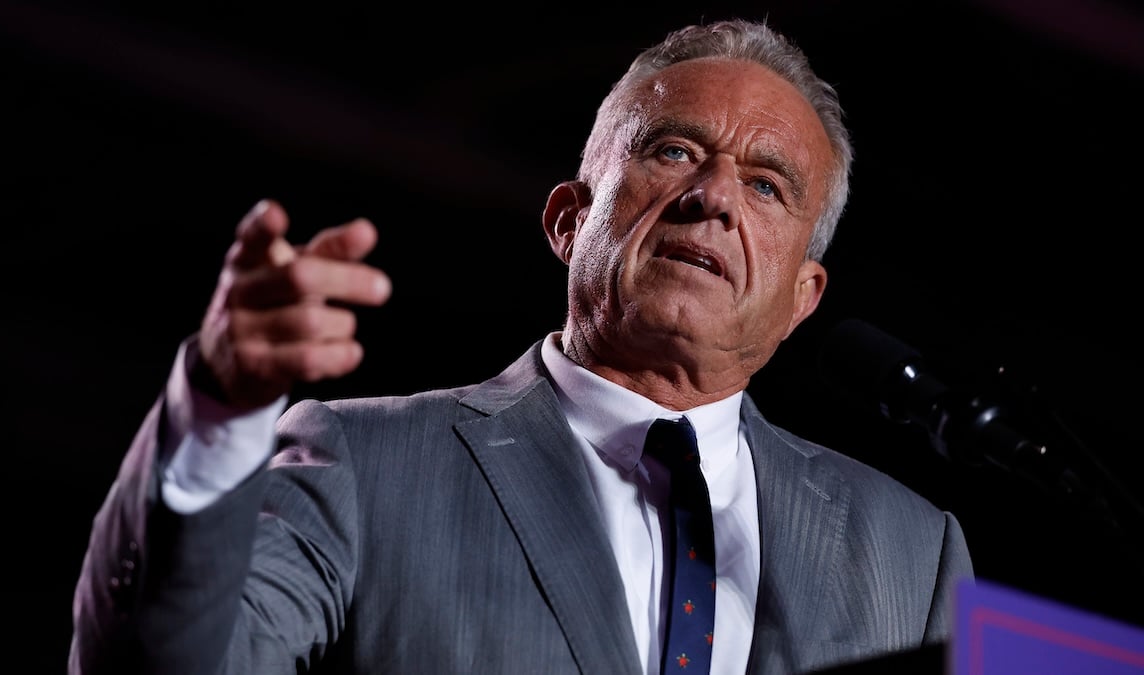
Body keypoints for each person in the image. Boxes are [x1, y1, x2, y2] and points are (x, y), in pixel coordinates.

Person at [68, 17, 973, 675]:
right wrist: (220, 410)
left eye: (769, 186)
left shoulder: (913, 554)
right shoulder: (365, 464)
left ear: (802, 299)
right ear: (568, 222)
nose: (716, 197)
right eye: (672, 152)